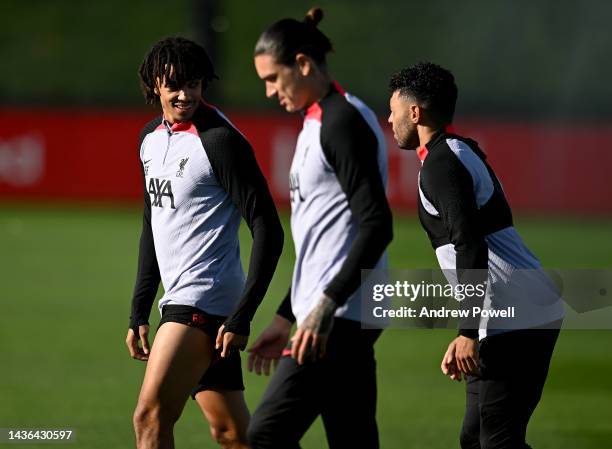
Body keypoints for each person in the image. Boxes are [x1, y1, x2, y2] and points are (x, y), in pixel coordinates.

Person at [388, 62, 564, 449]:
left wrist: (467, 332)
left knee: (497, 443)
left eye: (394, 110)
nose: (390, 118)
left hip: (517, 319)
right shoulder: (458, 149)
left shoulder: (441, 164)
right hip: (509, 316)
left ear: (415, 113)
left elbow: (470, 244)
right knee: (477, 439)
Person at [125, 36, 283, 449]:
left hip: (204, 301)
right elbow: (152, 223)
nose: (184, 94)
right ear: (154, 84)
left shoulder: (219, 141)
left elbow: (267, 226)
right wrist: (140, 307)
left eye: (193, 84)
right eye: (174, 84)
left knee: (149, 417)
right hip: (181, 299)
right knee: (232, 433)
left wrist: (242, 316)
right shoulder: (150, 139)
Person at [246, 8, 393, 449]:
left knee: (264, 436)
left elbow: (376, 224)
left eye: (273, 78)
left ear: (304, 65)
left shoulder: (342, 121)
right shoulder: (315, 121)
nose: (270, 92)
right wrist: (287, 314)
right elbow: (323, 242)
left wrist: (324, 307)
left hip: (339, 317)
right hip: (332, 314)